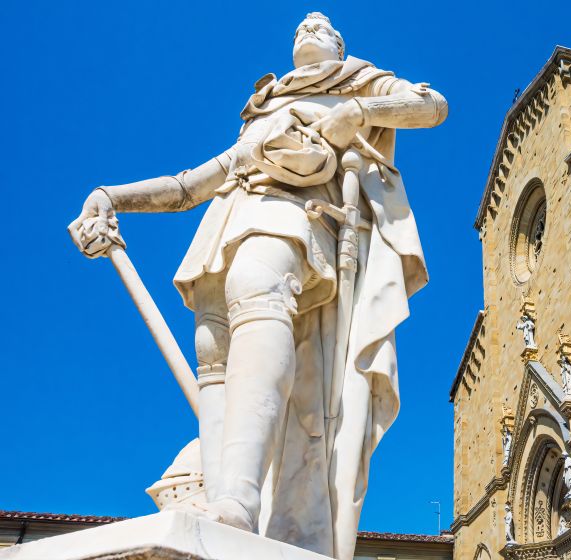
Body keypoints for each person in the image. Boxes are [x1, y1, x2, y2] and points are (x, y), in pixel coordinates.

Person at [69, 12, 446, 559]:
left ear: (340, 46)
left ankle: (239, 502)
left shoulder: (361, 81)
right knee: (213, 351)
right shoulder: (262, 113)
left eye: (321, 27)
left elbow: (431, 106)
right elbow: (190, 185)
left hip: (298, 215)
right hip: (229, 219)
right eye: (300, 28)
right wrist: (111, 197)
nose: (308, 28)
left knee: (257, 284)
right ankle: (224, 502)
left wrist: (359, 112)